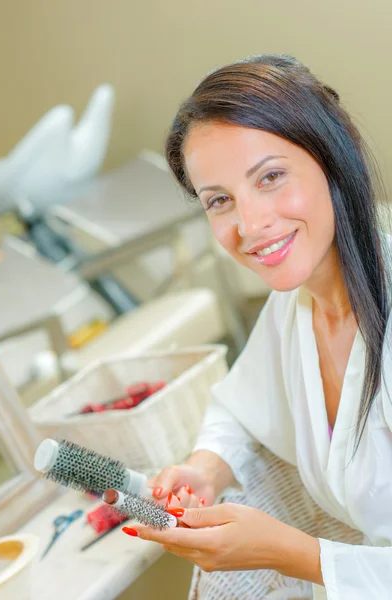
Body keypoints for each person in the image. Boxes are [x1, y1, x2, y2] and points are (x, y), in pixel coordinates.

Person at [121, 54, 392, 599]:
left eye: (270, 177)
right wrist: (207, 467)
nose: (249, 225)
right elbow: (239, 406)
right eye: (219, 201)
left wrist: (293, 554)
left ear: (334, 159)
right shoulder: (297, 308)